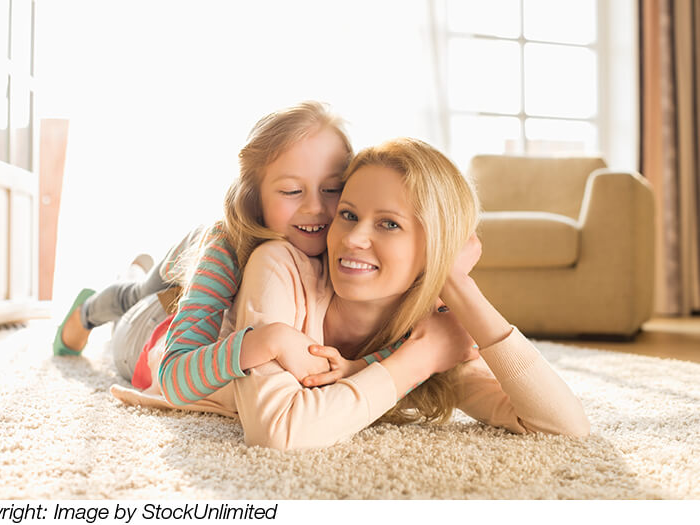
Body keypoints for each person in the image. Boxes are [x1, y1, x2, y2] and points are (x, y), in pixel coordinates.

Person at [112, 137, 590, 450]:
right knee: (138, 298)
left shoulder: (433, 330)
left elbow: (563, 426)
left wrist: (459, 288)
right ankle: (131, 278)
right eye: (348, 214)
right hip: (154, 343)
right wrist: (416, 362)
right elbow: (279, 431)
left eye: (388, 224)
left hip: (204, 322)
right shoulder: (278, 264)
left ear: (437, 250)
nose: (352, 238)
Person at [53, 101, 389, 394]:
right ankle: (87, 311)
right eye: (291, 191)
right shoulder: (226, 249)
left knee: (178, 263)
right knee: (135, 298)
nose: (316, 207)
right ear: (255, 197)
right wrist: (265, 341)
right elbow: (174, 375)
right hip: (146, 338)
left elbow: (398, 344)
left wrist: (357, 368)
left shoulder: (352, 248)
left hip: (187, 287)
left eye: (332, 189)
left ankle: (147, 269)